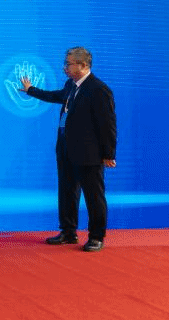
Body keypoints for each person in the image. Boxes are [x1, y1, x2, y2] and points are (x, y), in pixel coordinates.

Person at [20, 46, 117, 251]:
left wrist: (108, 154)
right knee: (67, 193)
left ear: (83, 65)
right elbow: (56, 96)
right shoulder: (71, 85)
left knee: (93, 196)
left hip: (89, 153)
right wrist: (31, 90)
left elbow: (107, 124)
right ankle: (68, 232)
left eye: (68, 63)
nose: (65, 67)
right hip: (66, 149)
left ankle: (96, 237)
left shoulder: (98, 89)